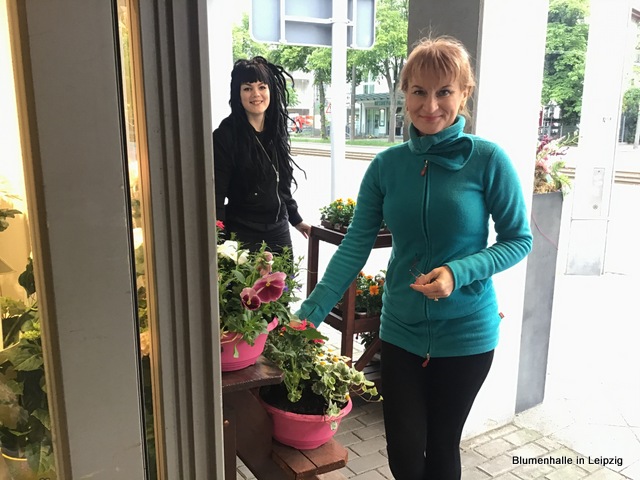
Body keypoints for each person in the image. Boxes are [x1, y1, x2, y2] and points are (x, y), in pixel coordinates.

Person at [295, 36, 532, 479]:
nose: (431, 105)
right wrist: (308, 316)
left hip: (466, 333)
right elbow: (355, 245)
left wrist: (458, 273)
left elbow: (518, 239)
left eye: (444, 91)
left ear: (464, 93)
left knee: (442, 450)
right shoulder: (386, 166)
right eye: (419, 91)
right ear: (404, 92)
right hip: (401, 331)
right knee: (404, 452)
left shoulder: (487, 160)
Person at [213, 56, 311, 254]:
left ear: (270, 90)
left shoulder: (276, 130)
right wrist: (218, 240)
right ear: (238, 93)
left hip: (278, 231)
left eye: (262, 87)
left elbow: (281, 182)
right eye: (247, 88)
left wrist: (296, 219)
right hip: (243, 233)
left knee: (283, 276)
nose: (256, 94)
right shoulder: (225, 135)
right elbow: (216, 194)